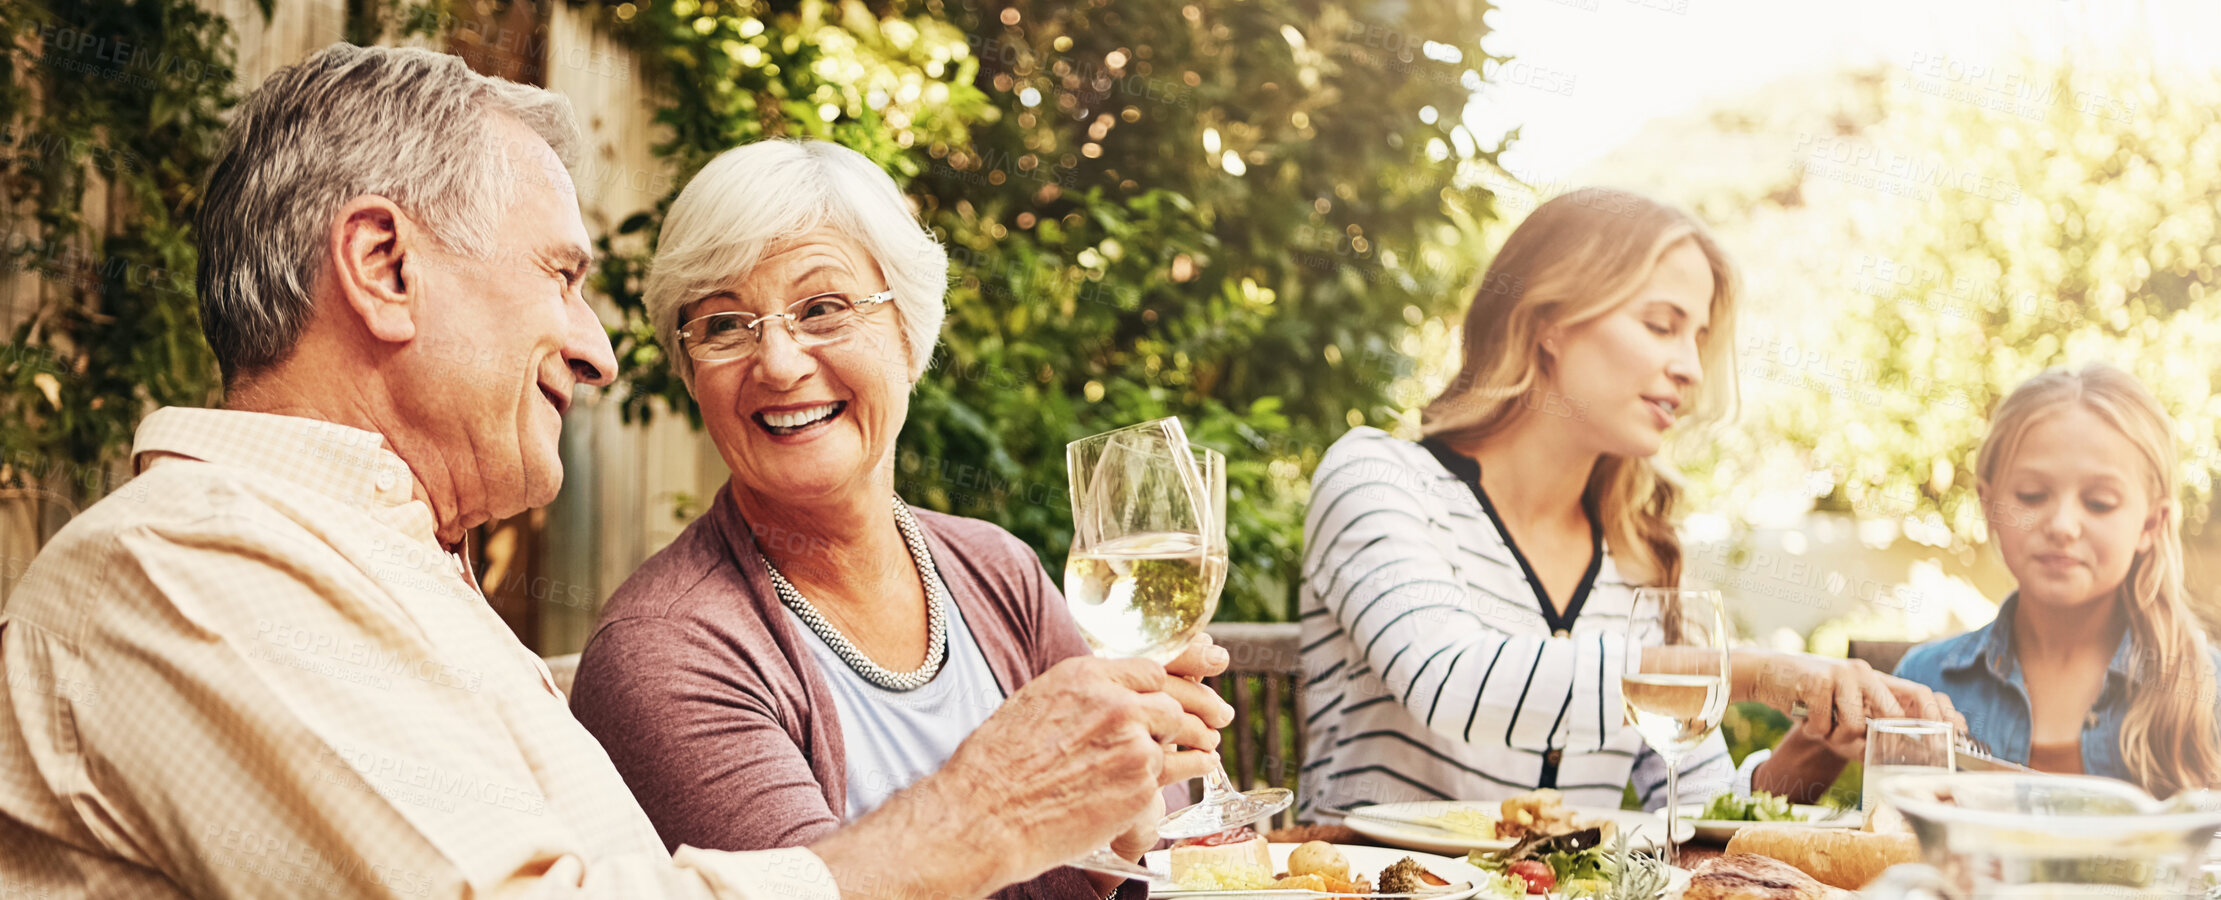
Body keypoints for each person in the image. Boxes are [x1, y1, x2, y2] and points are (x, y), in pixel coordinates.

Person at [0, 43, 1223, 899]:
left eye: (823, 309)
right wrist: (982, 812)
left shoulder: (373, 568)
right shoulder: (193, 567)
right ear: (383, 266)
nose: (597, 350)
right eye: (562, 277)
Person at [566, 138, 1214, 899]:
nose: (778, 363)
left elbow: (1160, 837)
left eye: (822, 309)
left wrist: (1132, 793)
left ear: (909, 335)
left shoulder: (998, 569)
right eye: (724, 326)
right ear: (690, 373)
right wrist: (1054, 819)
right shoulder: (663, 653)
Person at [1298, 188, 1959, 819]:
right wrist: (1756, 674)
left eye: (1697, 338)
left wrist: (1817, 742)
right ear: (1548, 322)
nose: (1690, 368)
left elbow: (1697, 811)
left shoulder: (1640, 556)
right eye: (1660, 325)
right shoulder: (1379, 480)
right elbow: (1452, 681)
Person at [1895, 364, 2221, 796]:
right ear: (1989, 505)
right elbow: (1874, 833)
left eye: (2099, 502)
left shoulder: (2209, 692)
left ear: (2150, 524)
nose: (2063, 526)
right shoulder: (1921, 683)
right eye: (2032, 496)